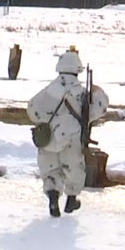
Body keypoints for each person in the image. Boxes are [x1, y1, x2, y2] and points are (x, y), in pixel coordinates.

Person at [27, 49, 108, 217]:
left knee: (50, 171)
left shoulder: (48, 90)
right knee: (74, 169)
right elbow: (99, 109)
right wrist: (98, 91)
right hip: (72, 138)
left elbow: (32, 110)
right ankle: (71, 199)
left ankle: (53, 200)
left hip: (48, 139)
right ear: (77, 70)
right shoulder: (81, 94)